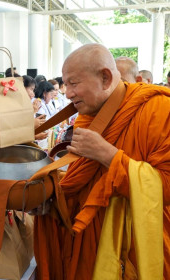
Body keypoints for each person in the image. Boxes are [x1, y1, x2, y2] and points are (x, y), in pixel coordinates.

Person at [34, 43, 170, 279]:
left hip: (136, 244)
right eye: (65, 84)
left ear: (106, 78)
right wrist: (49, 194)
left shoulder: (159, 109)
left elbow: (166, 186)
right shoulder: (88, 116)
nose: (67, 93)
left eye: (73, 84)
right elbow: (84, 180)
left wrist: (108, 155)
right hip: (89, 242)